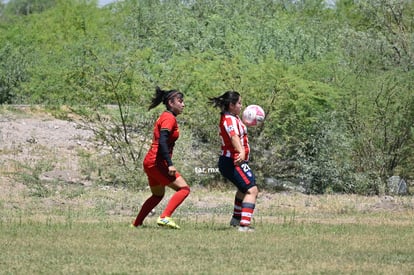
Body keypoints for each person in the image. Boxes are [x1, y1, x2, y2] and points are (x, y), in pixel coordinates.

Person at [131, 86, 190, 229]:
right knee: (184, 189)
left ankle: (136, 224)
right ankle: (165, 217)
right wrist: (169, 164)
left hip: (150, 162)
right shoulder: (169, 118)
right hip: (157, 162)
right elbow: (163, 141)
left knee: (157, 195)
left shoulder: (165, 116)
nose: (183, 104)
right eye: (180, 101)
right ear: (171, 103)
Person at [209, 91, 259, 232]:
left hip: (232, 160)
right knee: (252, 190)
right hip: (232, 160)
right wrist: (241, 152)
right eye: (239, 103)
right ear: (231, 105)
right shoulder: (229, 119)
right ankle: (244, 226)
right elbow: (233, 137)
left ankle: (236, 220)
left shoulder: (232, 117)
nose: (241, 106)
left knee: (243, 189)